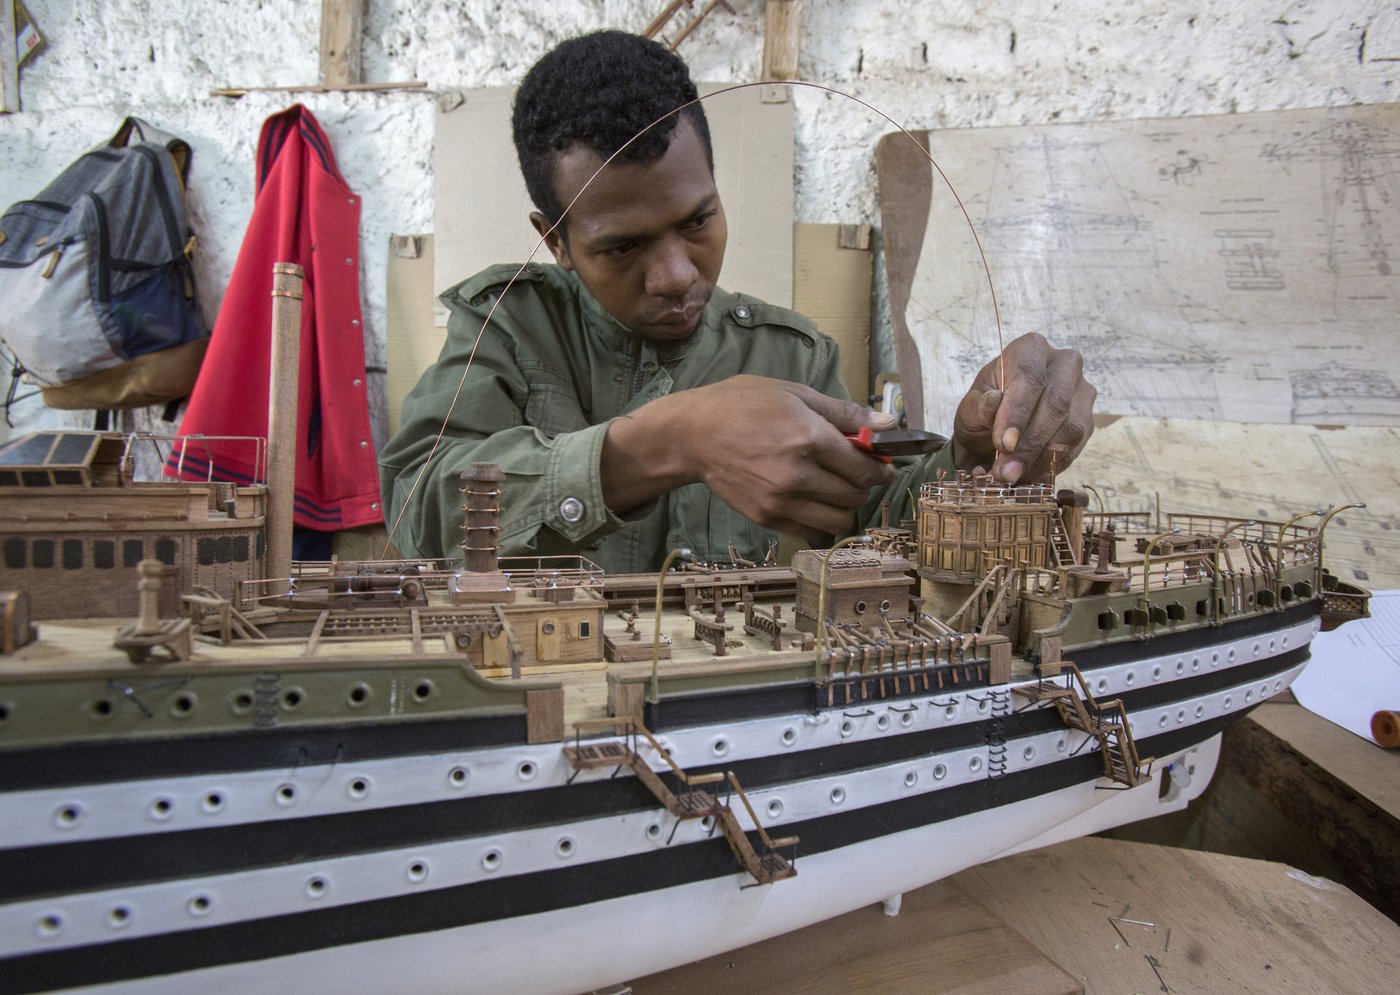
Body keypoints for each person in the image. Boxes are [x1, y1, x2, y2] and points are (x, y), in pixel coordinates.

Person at [379, 30, 1095, 573]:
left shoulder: (794, 357)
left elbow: (877, 508)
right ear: (556, 241)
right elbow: (416, 508)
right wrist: (668, 441)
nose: (675, 276)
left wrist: (972, 460)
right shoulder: (506, 325)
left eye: (697, 221)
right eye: (622, 246)